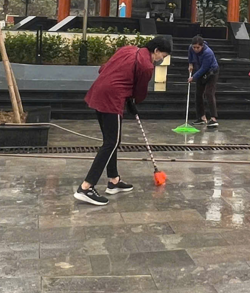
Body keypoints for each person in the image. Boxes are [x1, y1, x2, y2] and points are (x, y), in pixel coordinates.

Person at [76, 37, 172, 206]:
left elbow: (103, 69)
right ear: (156, 50)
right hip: (111, 99)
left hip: (98, 92)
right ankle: (86, 187)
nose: (160, 60)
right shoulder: (146, 65)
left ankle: (113, 180)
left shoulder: (128, 49)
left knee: (111, 141)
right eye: (162, 56)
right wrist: (133, 100)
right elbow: (140, 92)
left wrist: (128, 96)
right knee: (111, 143)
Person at [188, 36, 220, 128]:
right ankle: (201, 117)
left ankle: (213, 118)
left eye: (198, 47)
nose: (195, 49)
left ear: (202, 46)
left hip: (211, 72)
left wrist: (193, 77)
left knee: (209, 93)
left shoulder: (208, 53)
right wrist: (190, 64)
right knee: (198, 94)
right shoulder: (191, 48)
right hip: (200, 71)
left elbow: (204, 68)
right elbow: (190, 54)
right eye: (194, 47)